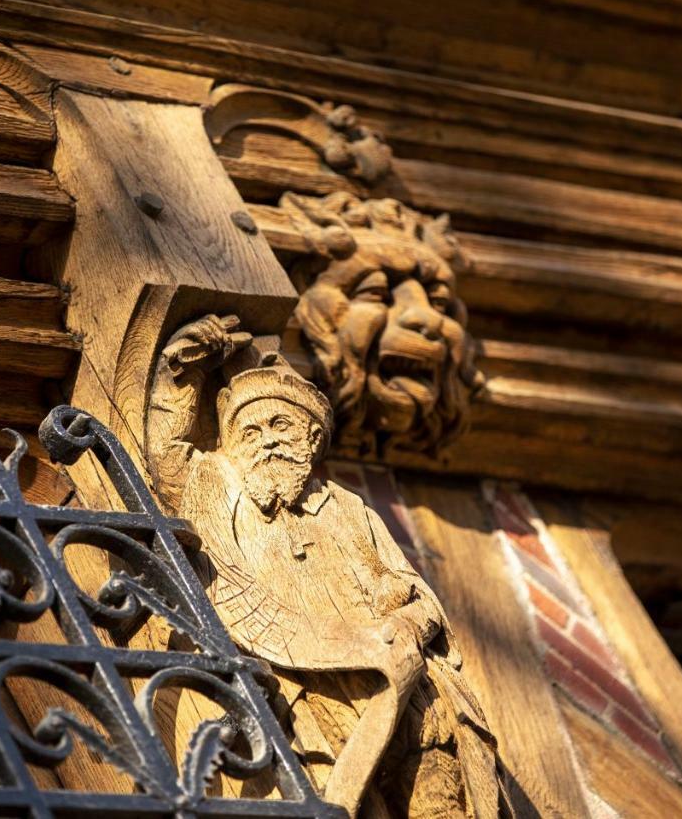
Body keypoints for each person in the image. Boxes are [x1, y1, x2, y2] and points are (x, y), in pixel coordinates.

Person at [147, 314, 508, 819]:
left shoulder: (348, 507)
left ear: (311, 437)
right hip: (309, 693)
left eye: (280, 426)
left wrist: (407, 619)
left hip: (409, 696)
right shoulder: (213, 484)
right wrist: (180, 370)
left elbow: (420, 597)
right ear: (230, 446)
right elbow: (166, 454)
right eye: (249, 433)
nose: (266, 441)